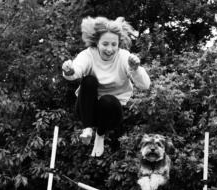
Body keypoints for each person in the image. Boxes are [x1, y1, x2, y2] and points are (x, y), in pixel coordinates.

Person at [62, 16, 151, 157]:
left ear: (118, 44)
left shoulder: (124, 57)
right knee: (89, 80)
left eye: (114, 44)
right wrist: (70, 70)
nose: (110, 49)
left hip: (111, 115)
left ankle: (100, 135)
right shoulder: (88, 55)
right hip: (87, 111)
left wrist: (135, 69)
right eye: (105, 44)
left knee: (108, 100)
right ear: (97, 43)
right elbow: (77, 68)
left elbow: (145, 86)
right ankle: (87, 129)